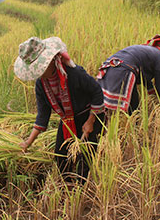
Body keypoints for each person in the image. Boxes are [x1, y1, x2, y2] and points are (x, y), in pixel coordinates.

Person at [14, 36, 105, 182]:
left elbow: (97, 92)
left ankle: (82, 191)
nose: (38, 73)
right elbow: (43, 116)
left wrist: (90, 122)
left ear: (50, 60)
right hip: (68, 120)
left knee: (85, 156)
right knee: (61, 156)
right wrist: (27, 142)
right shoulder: (41, 85)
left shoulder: (74, 73)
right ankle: (68, 187)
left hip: (89, 115)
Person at [96, 34, 160, 115]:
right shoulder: (159, 57)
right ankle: (132, 126)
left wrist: (152, 94)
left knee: (103, 103)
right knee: (133, 108)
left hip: (108, 67)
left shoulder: (145, 50)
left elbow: (144, 78)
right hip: (123, 71)